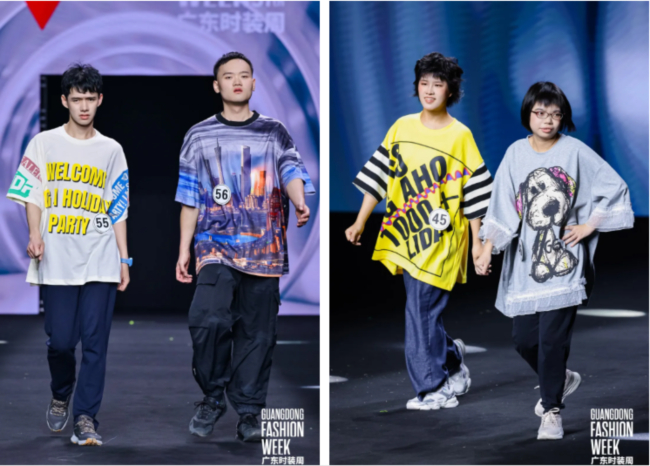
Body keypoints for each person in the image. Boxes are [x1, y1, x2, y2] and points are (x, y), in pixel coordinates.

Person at [477, 82, 634, 440]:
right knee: (524, 339)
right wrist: (486, 248)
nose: (547, 120)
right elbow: (502, 205)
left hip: (566, 261)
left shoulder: (574, 151)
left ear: (563, 118)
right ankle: (560, 378)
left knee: (551, 340)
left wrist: (589, 225)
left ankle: (551, 411)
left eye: (555, 114)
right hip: (525, 264)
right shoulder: (515, 153)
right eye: (540, 113)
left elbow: (614, 187)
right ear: (528, 114)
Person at [175, 52, 315, 442]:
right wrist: (184, 249)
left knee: (258, 334)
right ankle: (212, 395)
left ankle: (249, 411)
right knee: (207, 319)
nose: (237, 81)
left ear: (254, 83)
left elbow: (290, 168)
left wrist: (299, 200)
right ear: (216, 85)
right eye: (228, 76)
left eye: (244, 75)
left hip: (264, 249)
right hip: (214, 245)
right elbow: (189, 197)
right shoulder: (199, 136)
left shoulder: (274, 131)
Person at [345, 52, 493, 410]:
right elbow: (379, 175)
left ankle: (433, 388)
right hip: (406, 236)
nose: (429, 90)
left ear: (450, 90)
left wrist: (478, 243)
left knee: (420, 310)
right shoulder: (402, 127)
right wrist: (361, 219)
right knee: (423, 311)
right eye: (424, 83)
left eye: (437, 84)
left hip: (442, 238)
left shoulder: (460, 136)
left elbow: (475, 193)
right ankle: (451, 358)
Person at [6, 64, 131, 446]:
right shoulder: (43, 143)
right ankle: (61, 392)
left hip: (100, 257)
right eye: (77, 99)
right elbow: (31, 193)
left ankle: (86, 418)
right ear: (64, 101)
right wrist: (34, 234)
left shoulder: (111, 150)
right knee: (60, 341)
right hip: (57, 257)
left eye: (90, 99)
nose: (84, 106)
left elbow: (118, 207)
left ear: (100, 100)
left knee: (95, 343)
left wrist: (124, 258)